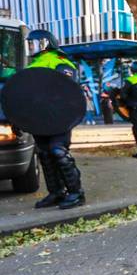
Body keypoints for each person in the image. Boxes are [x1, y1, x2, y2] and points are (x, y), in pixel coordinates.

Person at [25, 29, 86, 210]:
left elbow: (67, 90)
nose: (30, 46)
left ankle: (76, 193)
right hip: (39, 118)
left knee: (58, 151)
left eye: (33, 42)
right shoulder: (32, 65)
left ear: (45, 42)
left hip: (58, 118)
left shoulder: (60, 62)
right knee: (44, 153)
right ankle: (56, 192)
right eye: (28, 43)